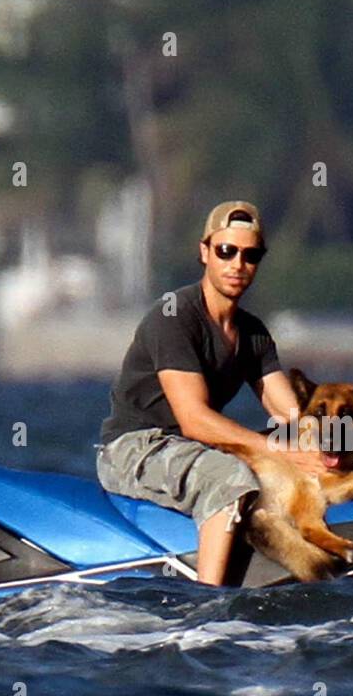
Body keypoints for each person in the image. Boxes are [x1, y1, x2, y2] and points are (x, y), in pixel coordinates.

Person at [96, 201, 336, 585]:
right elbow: (193, 420)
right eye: (226, 251)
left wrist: (344, 448)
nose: (237, 264)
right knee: (229, 476)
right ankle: (207, 604)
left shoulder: (252, 332)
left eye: (250, 255)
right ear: (205, 251)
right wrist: (280, 449)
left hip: (194, 448)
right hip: (136, 448)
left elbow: (291, 414)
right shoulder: (175, 315)